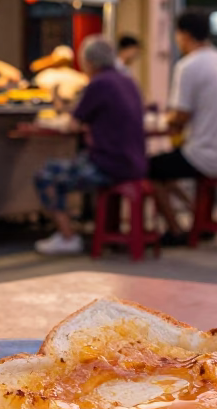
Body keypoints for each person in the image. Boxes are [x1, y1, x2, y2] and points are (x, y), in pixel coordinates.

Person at [33, 36, 146, 255]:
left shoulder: (99, 84)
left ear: (88, 63)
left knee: (46, 174)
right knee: (69, 167)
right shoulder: (127, 81)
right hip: (136, 163)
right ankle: (81, 228)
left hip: (108, 165)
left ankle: (67, 236)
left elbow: (73, 124)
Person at [148, 10, 217, 244]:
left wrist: (164, 120)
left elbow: (180, 115)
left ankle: (174, 230)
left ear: (183, 35)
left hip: (208, 156)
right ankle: (200, 217)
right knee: (167, 165)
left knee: (150, 168)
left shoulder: (189, 66)